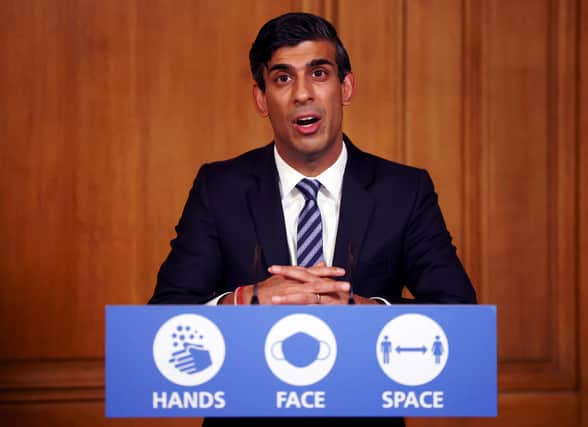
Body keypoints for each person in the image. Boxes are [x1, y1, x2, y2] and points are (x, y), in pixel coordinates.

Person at [149, 12, 476, 426]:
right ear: (261, 99)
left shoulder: (404, 191)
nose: (303, 93)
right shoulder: (219, 188)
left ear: (346, 86)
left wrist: (362, 314)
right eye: (283, 78)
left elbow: (461, 324)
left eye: (319, 73)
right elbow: (161, 323)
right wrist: (243, 304)